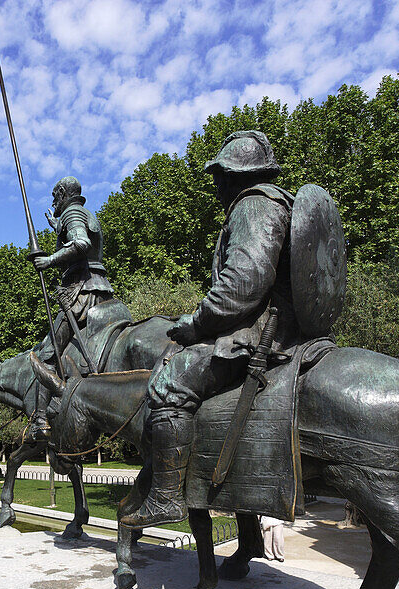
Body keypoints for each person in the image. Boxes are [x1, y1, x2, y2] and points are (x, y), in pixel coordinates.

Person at [121, 131, 304, 528]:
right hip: (280, 327)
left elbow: (245, 280)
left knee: (169, 380)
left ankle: (166, 498)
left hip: (259, 334)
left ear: (236, 175)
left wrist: (198, 322)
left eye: (219, 175)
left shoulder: (254, 205)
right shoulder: (278, 204)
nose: (216, 185)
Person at [28, 176, 115, 439]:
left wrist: (50, 260)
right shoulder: (81, 213)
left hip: (81, 293)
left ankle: (41, 419)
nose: (53, 200)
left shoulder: (72, 212)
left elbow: (81, 243)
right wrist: (58, 225)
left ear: (64, 193)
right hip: (100, 289)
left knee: (46, 355)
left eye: (55, 195)